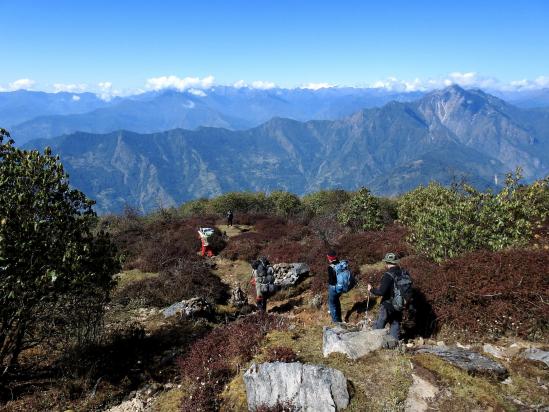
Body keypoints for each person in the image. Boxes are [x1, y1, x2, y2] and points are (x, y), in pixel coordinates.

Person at [367, 252, 411, 340]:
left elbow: (381, 292)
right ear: (395, 262)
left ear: (387, 263)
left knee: (381, 322)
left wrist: (371, 289)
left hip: (388, 304)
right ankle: (394, 343)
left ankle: (375, 341)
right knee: (395, 323)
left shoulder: (388, 275)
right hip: (400, 304)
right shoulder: (404, 273)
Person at [327, 250, 343, 323]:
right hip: (341, 286)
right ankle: (339, 319)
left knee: (332, 304)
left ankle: (336, 322)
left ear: (329, 258)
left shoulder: (331, 267)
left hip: (334, 288)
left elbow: (331, 281)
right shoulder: (340, 263)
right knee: (337, 302)